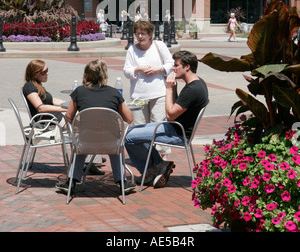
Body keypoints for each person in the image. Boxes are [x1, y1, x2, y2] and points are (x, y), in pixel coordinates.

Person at [125, 50, 209, 188]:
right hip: (175, 127)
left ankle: (151, 170)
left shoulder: (192, 91)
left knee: (129, 137)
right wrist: (174, 88)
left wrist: (168, 89)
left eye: (176, 65)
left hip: (177, 133)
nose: (173, 68)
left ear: (187, 67)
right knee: (135, 133)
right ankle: (158, 166)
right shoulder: (199, 83)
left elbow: (170, 115)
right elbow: (176, 108)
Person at [56, 59, 136, 196]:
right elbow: (129, 118)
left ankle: (71, 182)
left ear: (86, 74)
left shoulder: (78, 92)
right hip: (111, 143)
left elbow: (69, 117)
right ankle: (122, 182)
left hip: (86, 142)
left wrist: (80, 125)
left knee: (78, 145)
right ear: (104, 74)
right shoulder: (114, 93)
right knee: (116, 142)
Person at [123, 20, 174, 125]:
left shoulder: (159, 45)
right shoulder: (132, 50)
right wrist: (138, 69)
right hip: (138, 96)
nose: (140, 36)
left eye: (143, 34)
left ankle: (154, 142)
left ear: (150, 34)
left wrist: (158, 69)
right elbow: (126, 71)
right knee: (139, 127)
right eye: (137, 34)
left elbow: (171, 64)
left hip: (158, 94)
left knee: (158, 126)